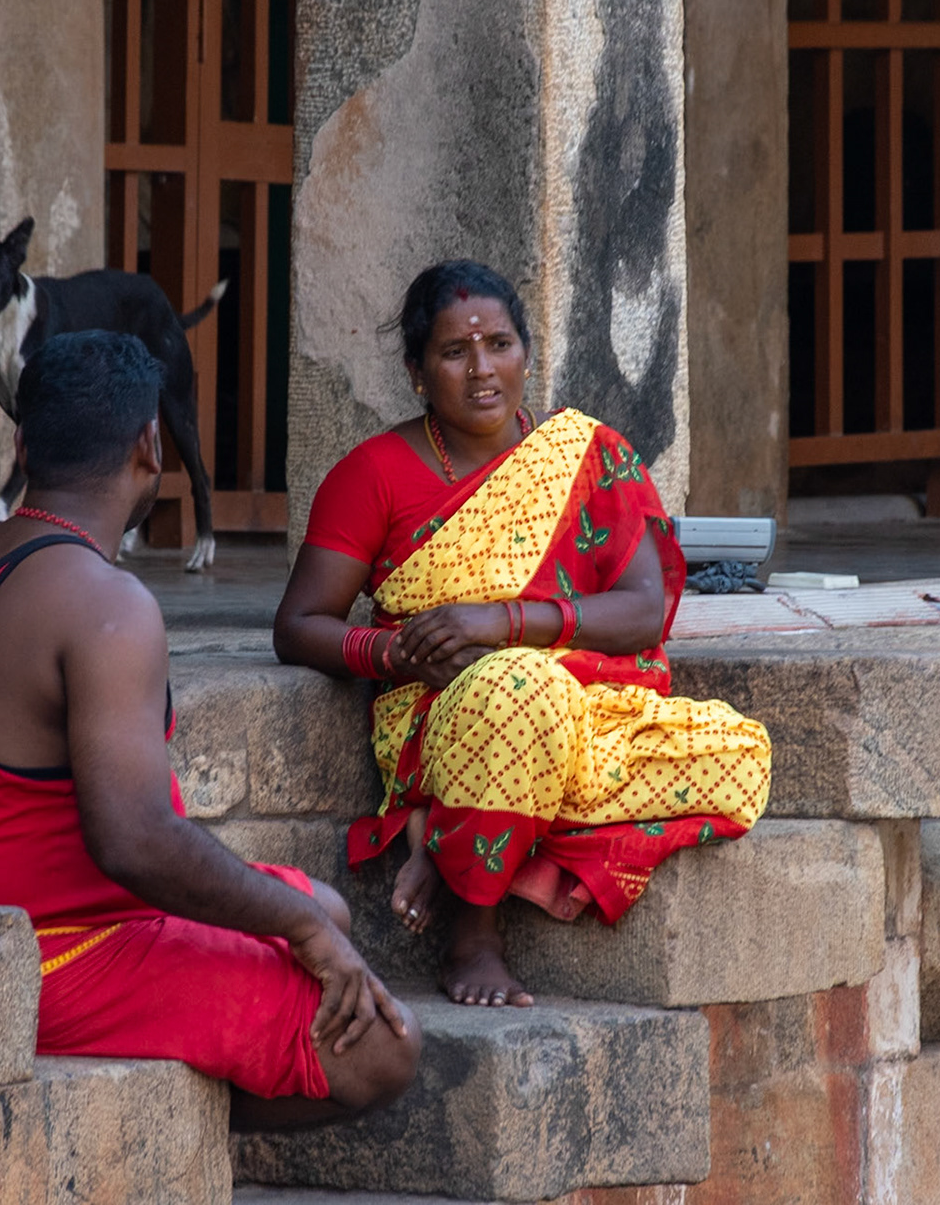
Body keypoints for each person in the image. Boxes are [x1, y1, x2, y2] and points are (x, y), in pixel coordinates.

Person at [0, 329, 419, 1130]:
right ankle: (148, 1128)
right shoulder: (109, 605)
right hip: (47, 959)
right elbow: (133, 840)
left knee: (326, 910)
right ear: (151, 445)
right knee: (384, 1049)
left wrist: (307, 921)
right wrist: (299, 928)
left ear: (23, 445)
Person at [273, 260, 772, 1009]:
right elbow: (297, 626)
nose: (482, 371)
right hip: (449, 716)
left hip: (591, 710)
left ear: (527, 354)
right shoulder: (373, 474)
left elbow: (644, 609)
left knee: (740, 758)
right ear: (417, 372)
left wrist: (504, 622)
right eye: (453, 353)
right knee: (519, 686)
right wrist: (392, 652)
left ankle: (443, 844)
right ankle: (473, 935)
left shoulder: (589, 455)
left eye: (499, 345)